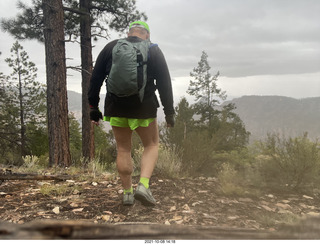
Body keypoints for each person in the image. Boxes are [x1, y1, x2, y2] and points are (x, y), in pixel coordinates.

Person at [88, 21, 175, 206]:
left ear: (128, 34)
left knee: (123, 149)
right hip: (144, 108)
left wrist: (93, 108)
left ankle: (127, 193)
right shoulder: (153, 50)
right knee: (151, 145)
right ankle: (143, 186)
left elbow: (95, 79)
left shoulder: (112, 47)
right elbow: (165, 84)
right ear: (147, 35)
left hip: (116, 107)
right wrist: (169, 113)